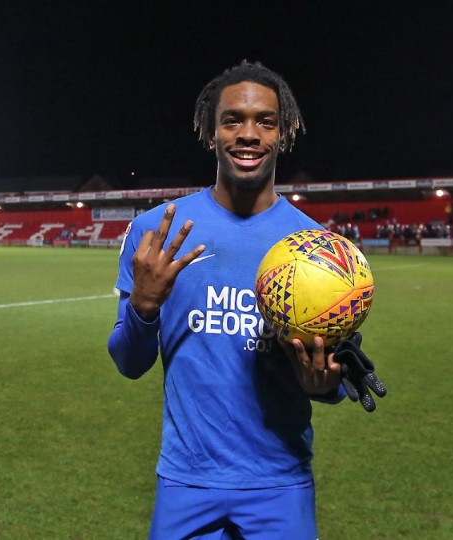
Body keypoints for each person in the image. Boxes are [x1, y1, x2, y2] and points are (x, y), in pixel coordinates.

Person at [108, 61, 366, 539]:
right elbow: (128, 362)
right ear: (211, 132)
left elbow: (330, 376)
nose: (249, 134)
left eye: (265, 121)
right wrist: (143, 308)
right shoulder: (155, 232)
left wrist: (323, 385)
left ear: (283, 133)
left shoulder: (317, 249)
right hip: (186, 481)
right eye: (233, 120)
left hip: (280, 484)